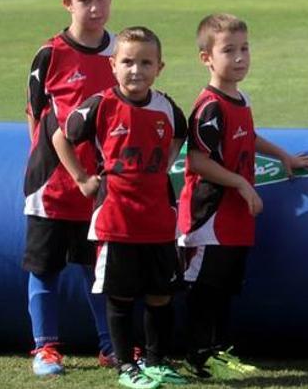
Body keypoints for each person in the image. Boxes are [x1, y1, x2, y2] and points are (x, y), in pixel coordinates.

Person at [176, 13, 308, 379]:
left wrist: (284, 155)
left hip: (235, 218)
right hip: (210, 217)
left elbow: (247, 138)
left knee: (223, 289)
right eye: (229, 50)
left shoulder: (239, 97)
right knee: (204, 290)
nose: (240, 58)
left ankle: (219, 353)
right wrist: (240, 184)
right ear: (207, 58)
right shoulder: (209, 105)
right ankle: (197, 358)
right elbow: (196, 160)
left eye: (244, 48)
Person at [53, 27, 189, 389]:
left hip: (159, 220)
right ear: (113, 65)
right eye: (127, 62)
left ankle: (156, 361)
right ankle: (126, 366)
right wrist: (83, 179)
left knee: (161, 294)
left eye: (145, 62)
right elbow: (60, 136)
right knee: (122, 295)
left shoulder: (167, 107)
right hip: (118, 219)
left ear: (159, 67)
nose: (136, 70)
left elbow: (180, 135)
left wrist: (164, 166)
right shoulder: (100, 105)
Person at [22, 0, 115, 376]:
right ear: (67, 4)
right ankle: (45, 349)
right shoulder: (50, 54)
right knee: (45, 270)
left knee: (97, 270)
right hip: (53, 186)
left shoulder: (120, 52)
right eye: (84, 0)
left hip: (101, 188)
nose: (94, 8)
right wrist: (45, 167)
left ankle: (110, 345)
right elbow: (35, 114)